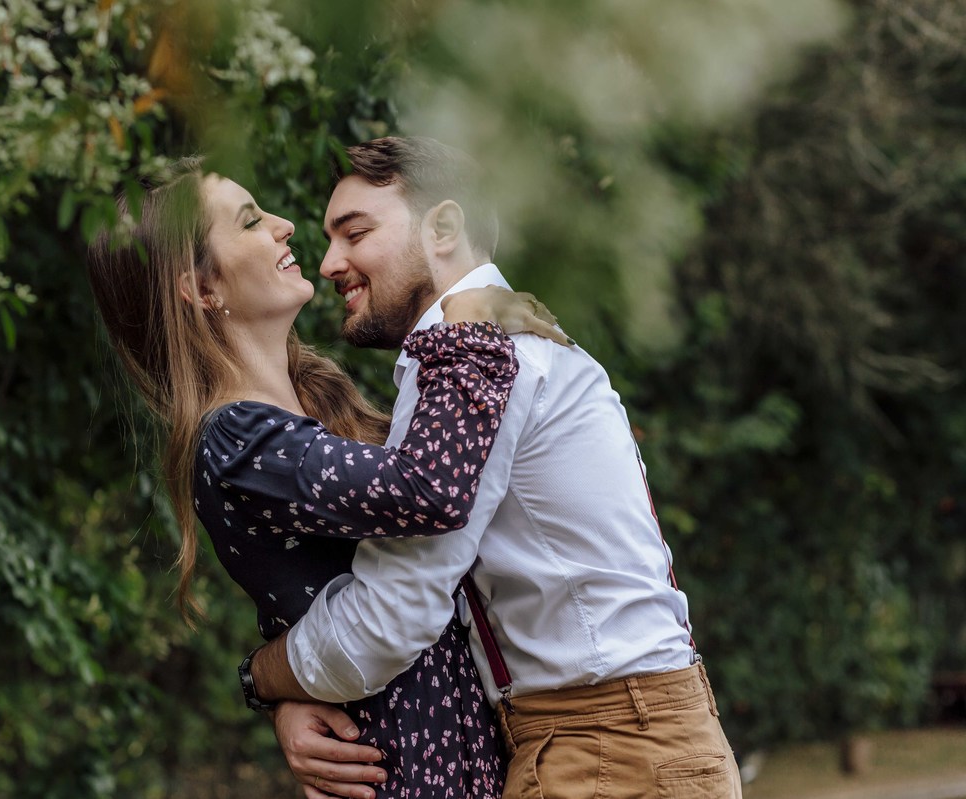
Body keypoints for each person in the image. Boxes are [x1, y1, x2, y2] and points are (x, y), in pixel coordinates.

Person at [245, 137, 744, 799]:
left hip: (606, 750)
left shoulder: (470, 355)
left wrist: (263, 677)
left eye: (355, 232)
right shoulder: (503, 334)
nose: (331, 260)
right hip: (618, 737)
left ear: (444, 227)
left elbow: (396, 610)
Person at [86, 158, 570, 799]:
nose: (285, 227)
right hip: (404, 777)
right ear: (201, 290)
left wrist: (274, 688)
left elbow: (309, 592)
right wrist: (473, 312)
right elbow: (426, 490)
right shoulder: (235, 440)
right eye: (252, 221)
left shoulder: (317, 405)